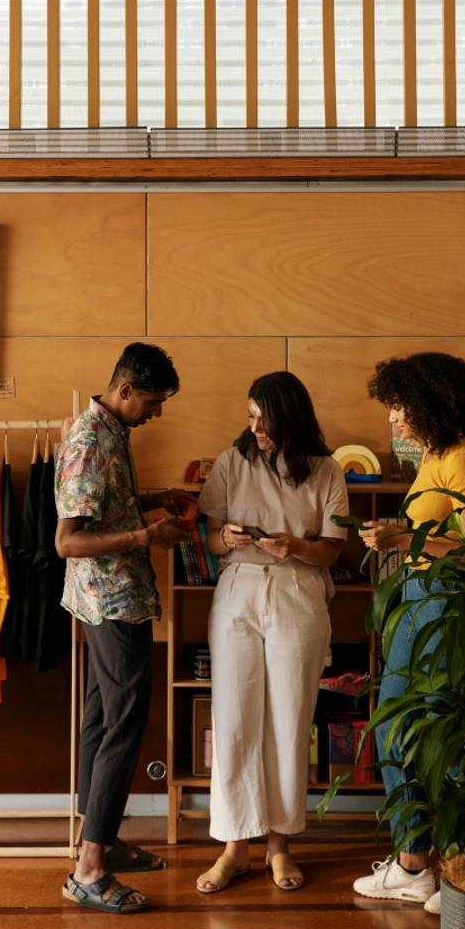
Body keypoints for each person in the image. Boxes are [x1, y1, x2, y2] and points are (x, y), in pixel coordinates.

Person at [194, 373, 349, 895]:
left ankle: (280, 843)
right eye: (250, 415)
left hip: (298, 592)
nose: (254, 426)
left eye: (263, 416)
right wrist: (227, 536)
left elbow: (332, 550)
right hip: (238, 588)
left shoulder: (327, 471)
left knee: (289, 720)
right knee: (234, 722)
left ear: (291, 415)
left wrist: (297, 548)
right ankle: (235, 846)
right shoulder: (232, 461)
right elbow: (210, 537)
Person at [351, 352, 465, 911]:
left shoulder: (462, 461)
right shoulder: (433, 458)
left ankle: (458, 869)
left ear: (430, 401)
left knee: (442, 730)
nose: (391, 418)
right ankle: (413, 861)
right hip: (416, 601)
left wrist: (403, 540)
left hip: (445, 607)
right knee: (393, 728)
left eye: (399, 406)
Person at [56, 343, 190, 914]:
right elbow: (68, 541)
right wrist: (145, 538)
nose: (155, 413)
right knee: (124, 727)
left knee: (101, 721)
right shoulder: (89, 442)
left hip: (106, 601)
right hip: (112, 602)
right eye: (153, 402)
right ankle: (89, 868)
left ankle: (99, 840)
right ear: (126, 389)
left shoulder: (110, 432)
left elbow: (105, 507)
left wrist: (154, 501)